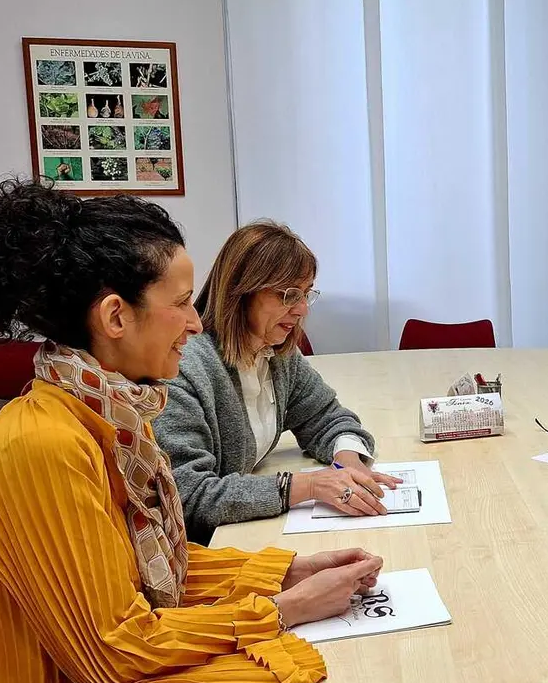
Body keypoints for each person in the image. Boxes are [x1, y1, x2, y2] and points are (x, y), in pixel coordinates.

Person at [0, 180, 384, 683]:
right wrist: (281, 610)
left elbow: (153, 570)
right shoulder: (44, 444)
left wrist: (289, 573)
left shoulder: (111, 410)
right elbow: (114, 654)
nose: (196, 323)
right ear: (115, 316)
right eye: (181, 304)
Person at [154, 222, 401, 544]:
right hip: (204, 554)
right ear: (241, 292)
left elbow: (327, 418)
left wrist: (349, 462)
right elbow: (186, 495)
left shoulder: (278, 355)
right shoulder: (185, 368)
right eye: (288, 295)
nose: (300, 310)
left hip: (243, 535)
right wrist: (305, 486)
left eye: (306, 294)